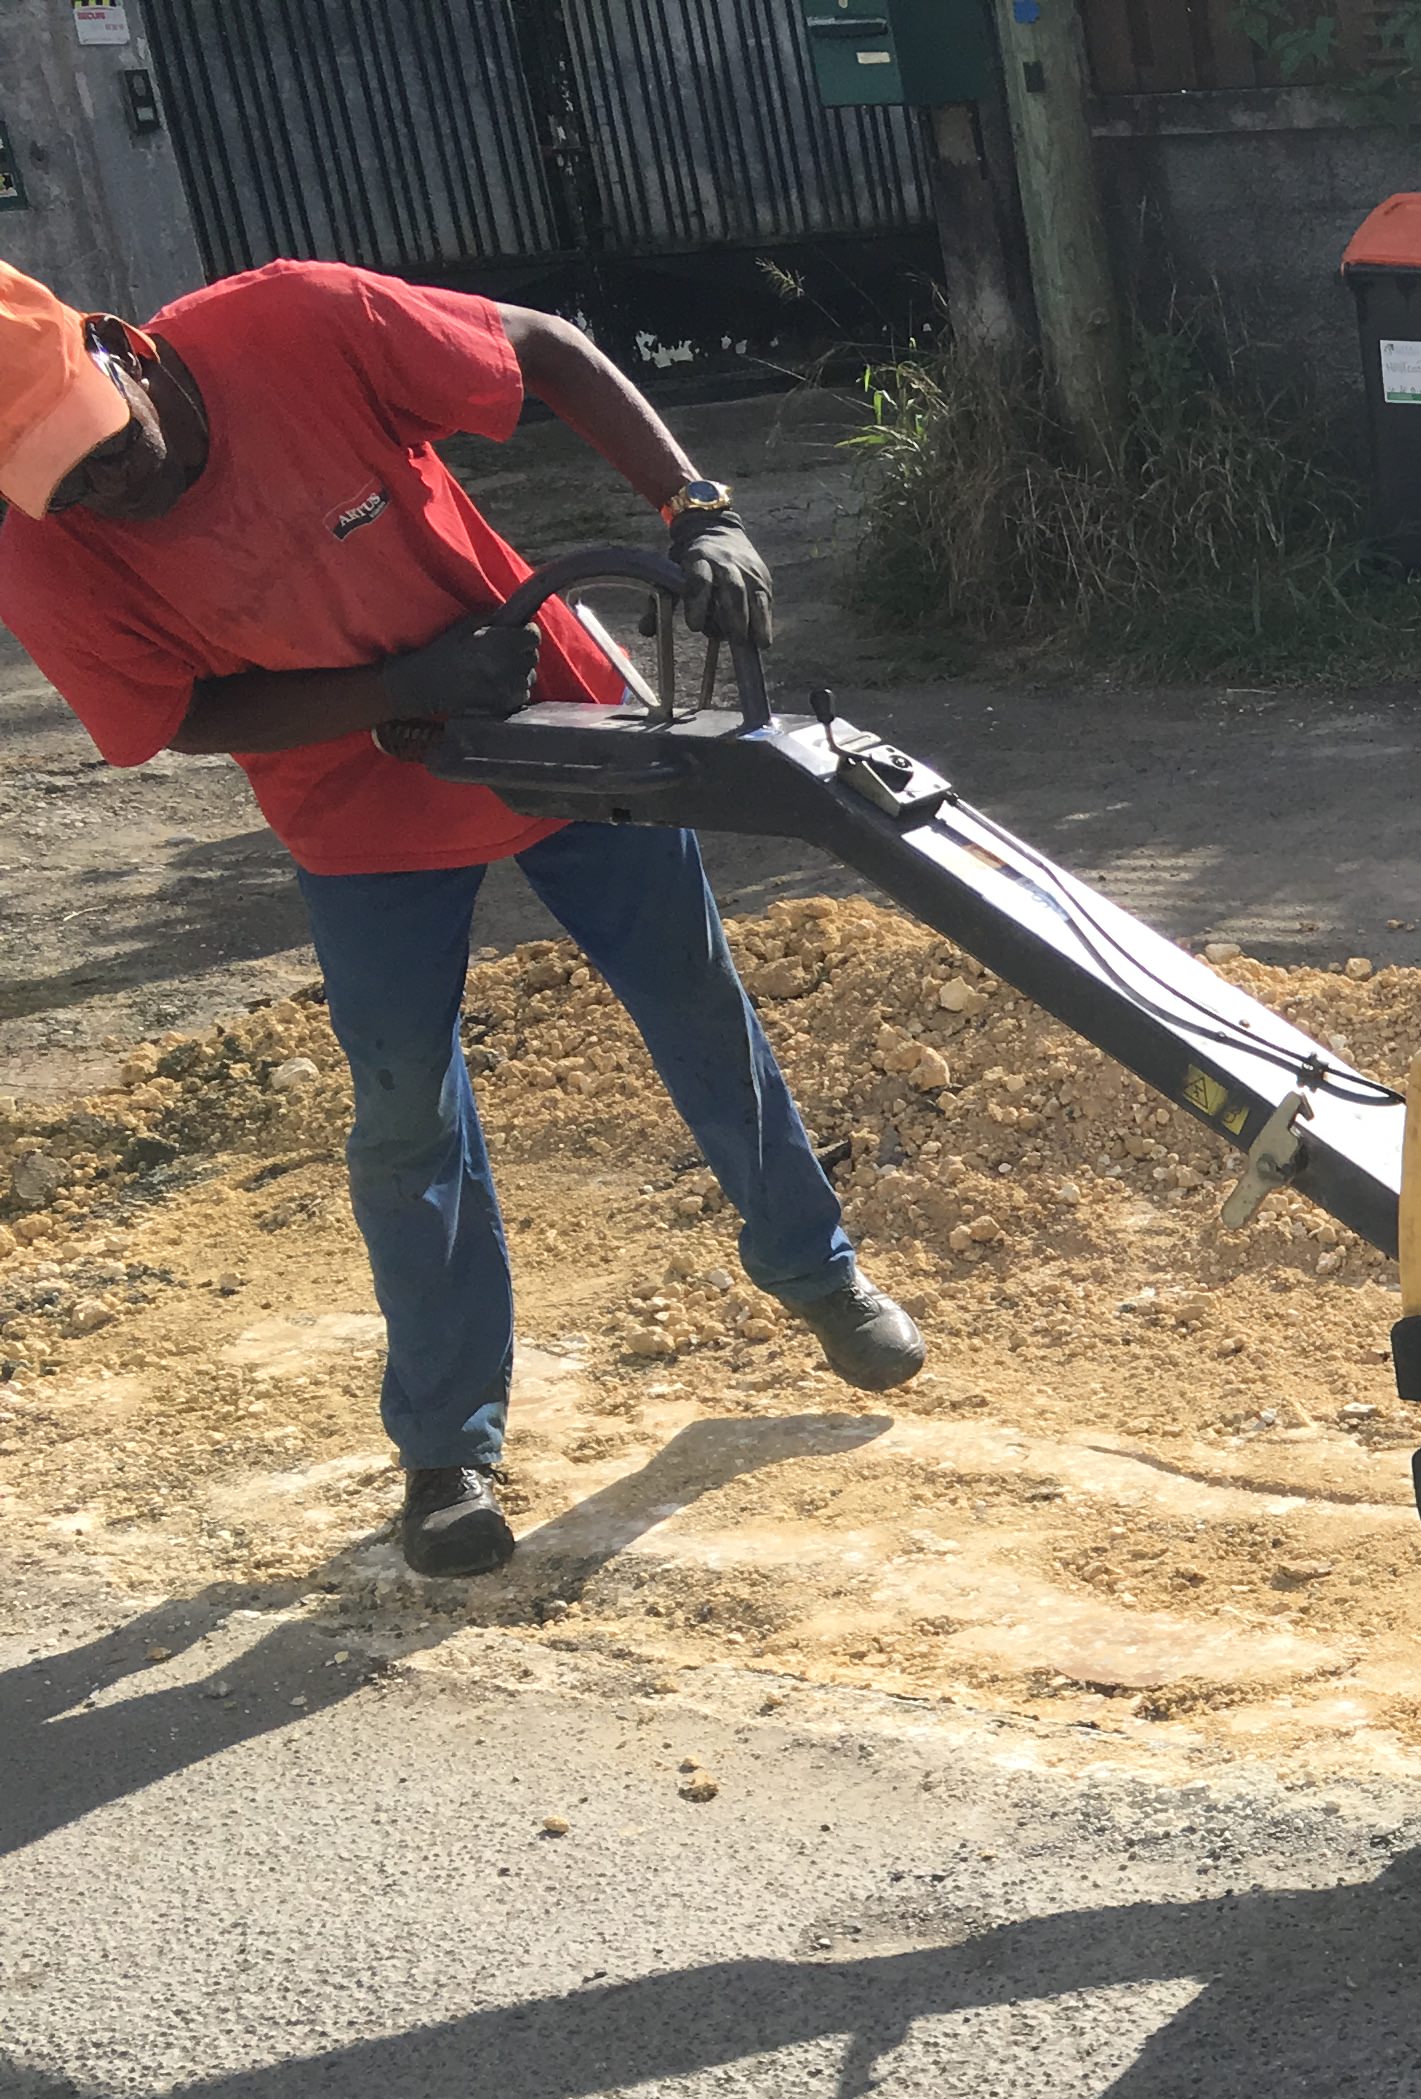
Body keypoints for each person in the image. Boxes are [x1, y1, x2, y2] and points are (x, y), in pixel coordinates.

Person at [0, 256, 922, 1579]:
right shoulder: (41, 554)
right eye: (61, 486)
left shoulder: (295, 325)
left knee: (690, 996)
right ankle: (446, 1453)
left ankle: (818, 1273)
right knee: (405, 1108)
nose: (103, 493)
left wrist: (696, 506)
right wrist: (394, 692)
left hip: (555, 722)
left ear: (121, 355)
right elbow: (176, 718)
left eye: (100, 450)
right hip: (352, 800)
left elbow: (542, 345)